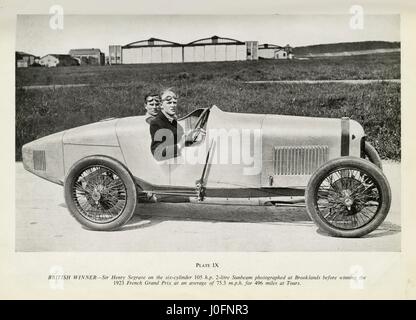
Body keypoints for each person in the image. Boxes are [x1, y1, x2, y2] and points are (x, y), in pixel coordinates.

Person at [149, 89, 186, 160]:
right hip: (169, 166)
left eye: (174, 102)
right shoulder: (157, 123)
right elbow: (158, 153)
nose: (173, 105)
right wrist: (179, 145)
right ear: (161, 105)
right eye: (169, 103)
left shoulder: (174, 122)